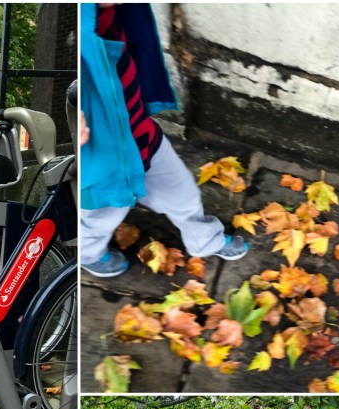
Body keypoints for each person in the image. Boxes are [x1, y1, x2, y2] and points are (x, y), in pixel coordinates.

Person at [79, 3, 248, 277]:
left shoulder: (116, 15)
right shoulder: (81, 34)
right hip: (104, 166)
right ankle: (88, 254)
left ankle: (206, 241)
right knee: (99, 219)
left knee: (185, 196)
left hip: (142, 138)